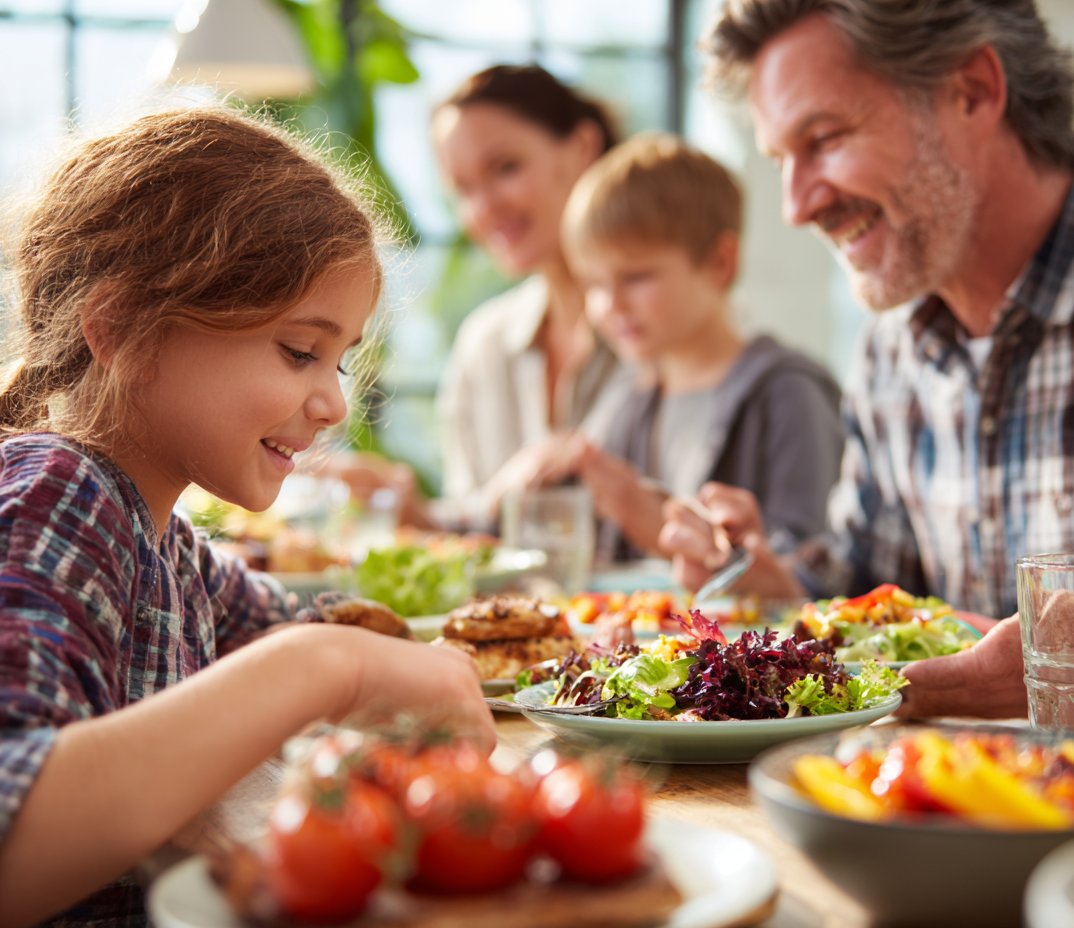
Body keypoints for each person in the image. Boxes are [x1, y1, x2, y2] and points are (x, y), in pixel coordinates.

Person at [658, 0, 1074, 718]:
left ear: (973, 92)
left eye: (825, 138)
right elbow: (876, 592)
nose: (796, 206)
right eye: (782, 159)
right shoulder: (890, 352)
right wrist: (770, 586)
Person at [0, 108, 494, 927]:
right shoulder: (53, 495)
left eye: (339, 359)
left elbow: (309, 626)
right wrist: (329, 668)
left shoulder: (170, 548)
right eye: (301, 351)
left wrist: (399, 656)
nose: (334, 400)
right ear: (121, 328)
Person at [558, 133, 844, 559]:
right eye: (594, 283)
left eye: (636, 277)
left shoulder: (788, 392)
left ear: (719, 263)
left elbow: (815, 566)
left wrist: (657, 527)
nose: (611, 305)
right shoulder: (630, 400)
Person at [431, 65, 634, 529]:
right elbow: (472, 529)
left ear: (582, 147)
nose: (483, 208)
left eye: (505, 167)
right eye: (462, 189)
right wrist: (410, 509)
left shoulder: (667, 326)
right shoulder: (483, 343)